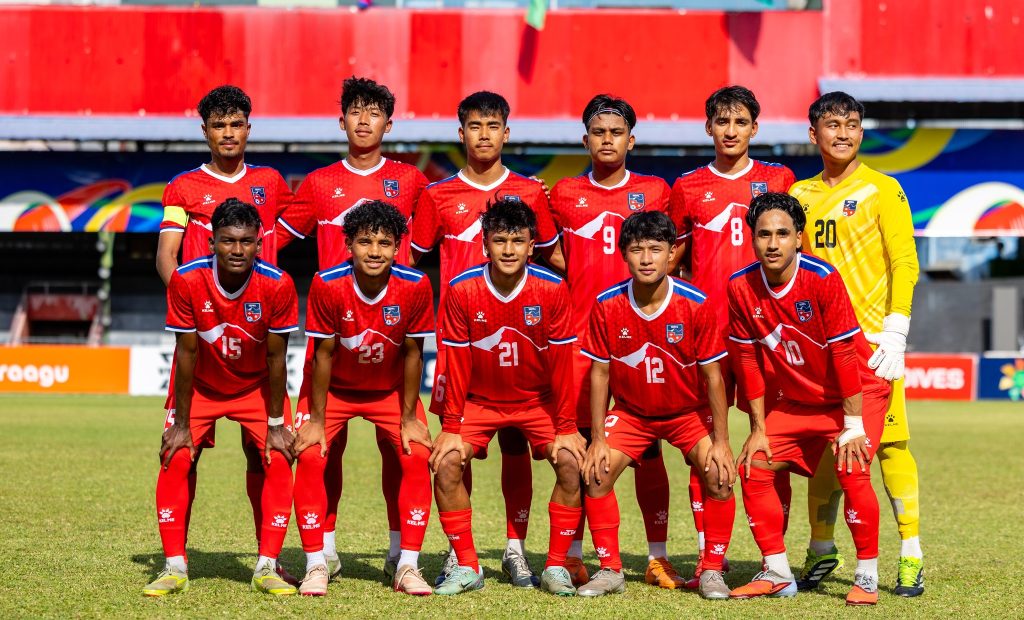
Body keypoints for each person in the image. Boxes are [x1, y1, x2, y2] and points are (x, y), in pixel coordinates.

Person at [277, 77, 430, 580]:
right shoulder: (319, 184)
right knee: (323, 449)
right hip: (332, 334)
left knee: (401, 449)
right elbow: (271, 238)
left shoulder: (411, 181)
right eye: (355, 112)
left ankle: (399, 554)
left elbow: (450, 225)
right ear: (341, 121)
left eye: (374, 112)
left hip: (391, 334)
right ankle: (324, 552)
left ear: (389, 123)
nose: (364, 121)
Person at [409, 91, 565, 587]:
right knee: (456, 446)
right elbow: (408, 262)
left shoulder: (531, 193)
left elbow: (557, 258)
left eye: (492, 125)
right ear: (461, 134)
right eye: (474, 126)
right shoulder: (437, 195)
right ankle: (462, 554)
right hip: (461, 342)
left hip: (521, 340)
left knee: (517, 446)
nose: (483, 134)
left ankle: (515, 550)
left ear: (506, 133)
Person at [154, 85, 299, 587]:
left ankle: (268, 561)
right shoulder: (183, 187)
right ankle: (175, 564)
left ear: (248, 129)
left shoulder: (271, 182)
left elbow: (300, 230)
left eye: (236, 124)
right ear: (205, 131)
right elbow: (166, 256)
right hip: (204, 330)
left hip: (260, 336)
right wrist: (198, 303)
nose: (228, 133)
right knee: (179, 450)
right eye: (219, 125)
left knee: (267, 452)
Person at [789, 91, 923, 597]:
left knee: (889, 446)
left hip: (873, 348)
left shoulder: (883, 189)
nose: (842, 133)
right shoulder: (798, 195)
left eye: (851, 125)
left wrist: (896, 329)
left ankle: (911, 553)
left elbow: (904, 262)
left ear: (861, 133)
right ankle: (821, 549)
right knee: (828, 447)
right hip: (818, 349)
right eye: (832, 124)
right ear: (814, 134)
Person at [726, 192, 888, 606]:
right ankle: (777, 573)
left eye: (783, 234)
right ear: (752, 238)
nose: (773, 243)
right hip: (800, 399)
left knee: (852, 467)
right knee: (755, 463)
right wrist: (758, 429)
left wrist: (853, 425)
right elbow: (747, 361)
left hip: (854, 393)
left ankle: (867, 576)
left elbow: (844, 354)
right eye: (764, 234)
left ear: (799, 238)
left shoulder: (822, 277)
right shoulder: (740, 286)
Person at [667, 85, 796, 586]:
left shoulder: (778, 179)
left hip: (767, 334)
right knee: (706, 449)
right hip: (708, 340)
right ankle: (710, 558)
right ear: (708, 127)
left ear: (754, 128)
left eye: (740, 122)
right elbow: (673, 261)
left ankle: (775, 560)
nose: (730, 130)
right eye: (722, 122)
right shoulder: (687, 187)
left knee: (774, 448)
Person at [548, 94, 679, 589]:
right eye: (599, 132)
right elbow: (551, 253)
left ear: (631, 140)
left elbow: (670, 253)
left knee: (649, 451)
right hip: (582, 345)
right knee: (583, 454)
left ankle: (657, 556)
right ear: (585, 139)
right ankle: (576, 555)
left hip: (641, 342)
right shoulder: (563, 193)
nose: (607, 140)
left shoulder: (655, 190)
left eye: (616, 132)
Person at [428, 198, 586, 596]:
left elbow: (563, 364)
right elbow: (457, 363)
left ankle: (555, 567)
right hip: (480, 401)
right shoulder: (462, 289)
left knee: (571, 463)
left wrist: (567, 427)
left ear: (532, 245)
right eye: (500, 241)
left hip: (536, 401)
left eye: (518, 241)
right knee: (446, 462)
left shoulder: (552, 288)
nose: (509, 250)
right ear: (485, 244)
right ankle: (467, 565)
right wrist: (451, 427)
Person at [577, 211, 736, 599]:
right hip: (632, 414)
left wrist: (721, 441)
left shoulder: (695, 304)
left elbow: (714, 378)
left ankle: (712, 571)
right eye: (637, 250)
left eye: (655, 249)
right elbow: (599, 374)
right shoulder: (607, 304)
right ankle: (610, 569)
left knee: (719, 475)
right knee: (595, 474)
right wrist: (597, 439)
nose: (646, 258)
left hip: (687, 413)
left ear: (671, 253)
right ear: (624, 255)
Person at [291, 200, 435, 596]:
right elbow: (322, 354)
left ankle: (406, 564)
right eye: (365, 242)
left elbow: (413, 353)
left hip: (389, 391)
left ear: (398, 247)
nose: (375, 251)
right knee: (310, 454)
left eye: (385, 243)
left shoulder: (415, 285)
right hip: (333, 390)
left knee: (416, 455)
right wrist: (316, 420)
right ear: (349, 244)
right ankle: (317, 561)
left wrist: (409, 417)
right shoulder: (327, 283)